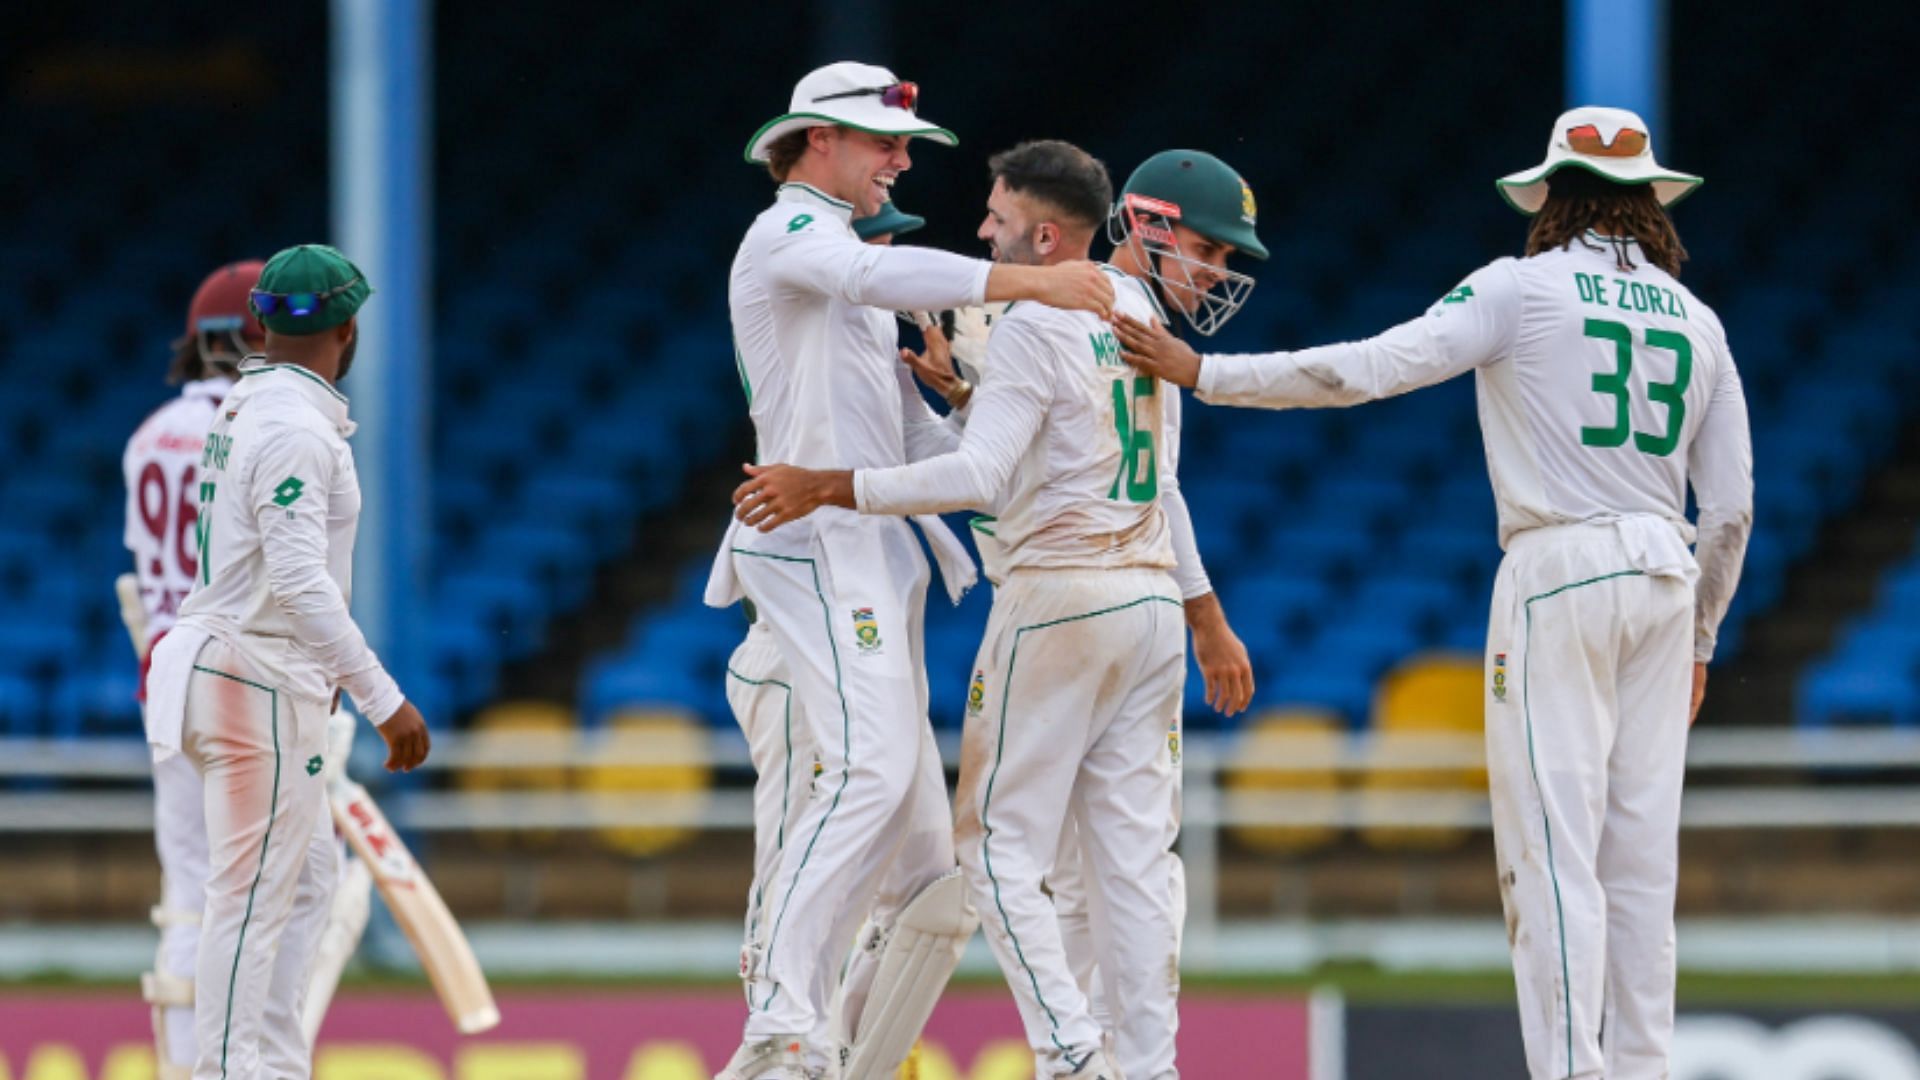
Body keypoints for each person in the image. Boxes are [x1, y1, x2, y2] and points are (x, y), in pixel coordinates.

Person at [1115, 106, 1754, 1080]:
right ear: (1647, 204)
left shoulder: (1521, 287)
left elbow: (1374, 367)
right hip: (1667, 578)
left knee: (1553, 857)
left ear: (1551, 198)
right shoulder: (1698, 319)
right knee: (1639, 864)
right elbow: (1736, 507)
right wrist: (1703, 637)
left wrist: (1208, 373)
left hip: (1561, 568)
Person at [735, 139, 1181, 1080]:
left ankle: (830, 1054)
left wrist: (942, 406)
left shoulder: (902, 317)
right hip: (806, 607)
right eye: (895, 232)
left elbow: (967, 467)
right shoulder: (801, 246)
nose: (972, 230)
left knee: (946, 880)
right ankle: (783, 1034)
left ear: (1044, 232)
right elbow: (986, 459)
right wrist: (1018, 297)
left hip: (975, 585)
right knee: (873, 801)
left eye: (992, 217)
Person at [143, 243, 432, 1080]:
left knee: (304, 881)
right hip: (254, 675)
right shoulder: (297, 427)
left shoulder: (245, 408)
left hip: (241, 668)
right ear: (349, 330)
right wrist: (382, 697)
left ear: (260, 324)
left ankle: (270, 1063)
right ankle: (231, 1070)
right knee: (251, 893)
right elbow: (301, 587)